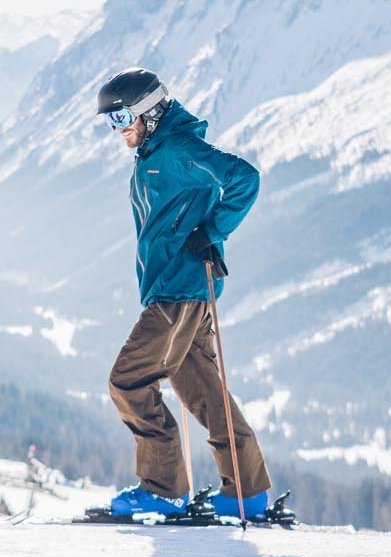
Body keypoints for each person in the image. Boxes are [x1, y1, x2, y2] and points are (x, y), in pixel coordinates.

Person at [93, 67, 273, 520]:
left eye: (121, 120)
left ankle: (162, 489)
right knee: (203, 389)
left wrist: (211, 231)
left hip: (178, 290)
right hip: (182, 286)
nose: (117, 132)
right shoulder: (156, 148)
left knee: (128, 380)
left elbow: (243, 179)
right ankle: (245, 493)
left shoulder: (175, 148)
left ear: (148, 113)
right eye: (110, 123)